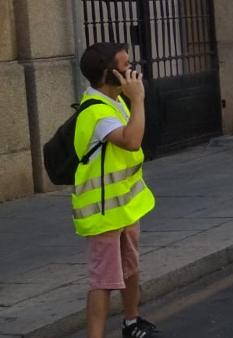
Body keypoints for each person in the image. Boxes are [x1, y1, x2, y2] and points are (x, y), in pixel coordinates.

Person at [74, 43, 159, 338]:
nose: (132, 70)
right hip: (104, 213)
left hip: (125, 206)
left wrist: (132, 100)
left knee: (130, 268)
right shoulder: (97, 113)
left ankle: (131, 322)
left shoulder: (115, 101)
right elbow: (132, 141)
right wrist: (139, 100)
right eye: (125, 66)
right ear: (107, 74)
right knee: (104, 280)